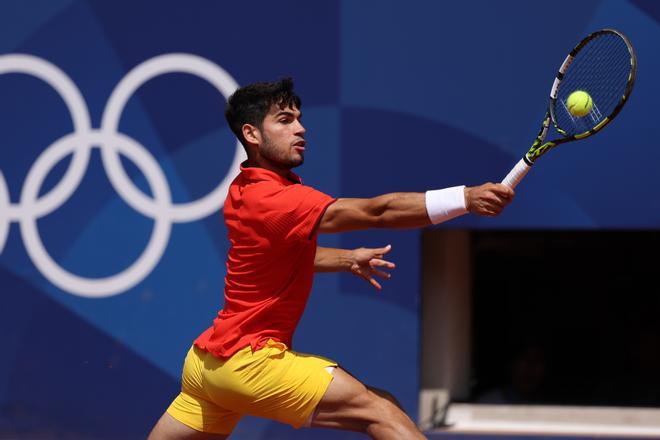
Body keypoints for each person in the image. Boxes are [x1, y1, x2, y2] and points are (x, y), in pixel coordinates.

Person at [148, 78, 514, 440]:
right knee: (380, 411)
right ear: (252, 134)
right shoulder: (281, 202)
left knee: (381, 403)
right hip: (250, 363)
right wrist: (465, 198)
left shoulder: (244, 190)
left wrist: (346, 259)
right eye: (285, 120)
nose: (301, 128)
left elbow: (281, 259)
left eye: (299, 118)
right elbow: (378, 212)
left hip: (206, 365)